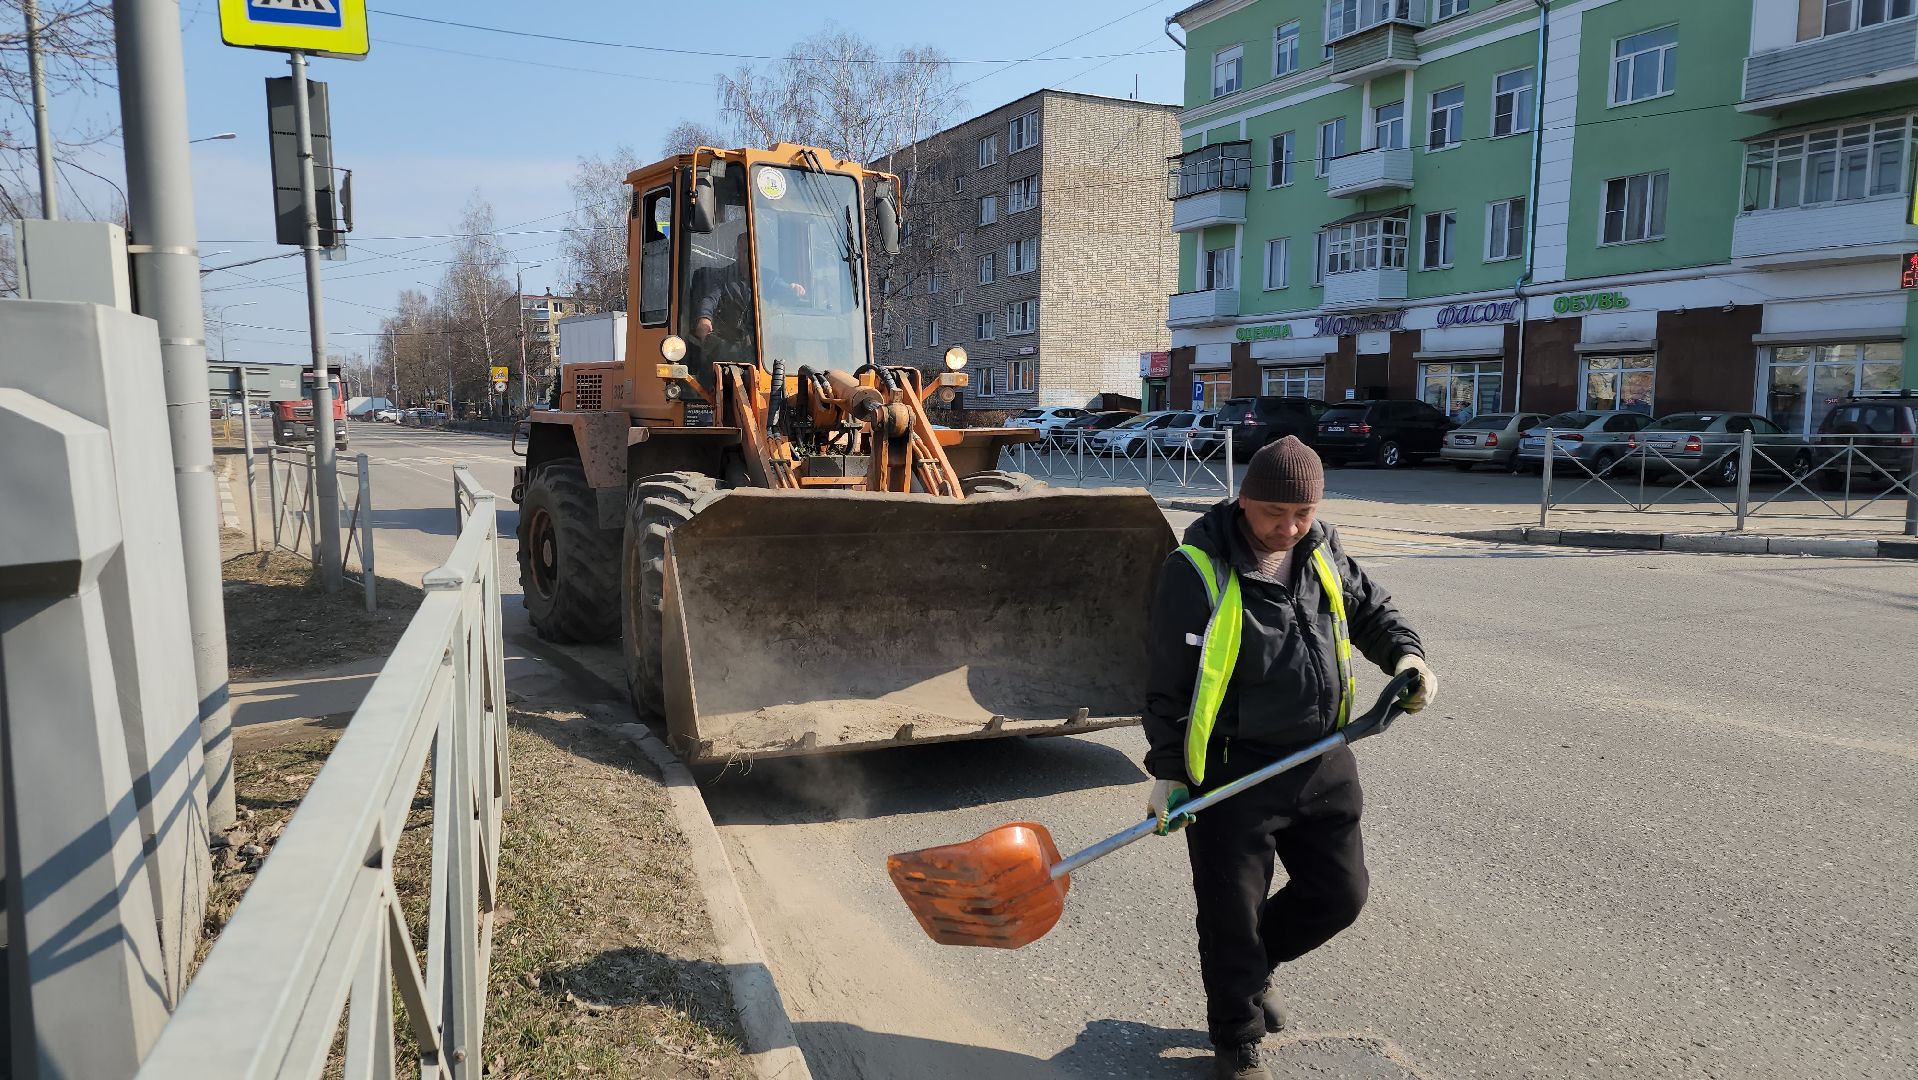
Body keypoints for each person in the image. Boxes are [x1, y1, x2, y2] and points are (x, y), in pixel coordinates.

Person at [1140, 435, 1437, 1080]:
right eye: (1276, 514)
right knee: (1231, 914)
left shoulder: (1319, 550)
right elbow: (1166, 681)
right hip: (1232, 773)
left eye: (1303, 514)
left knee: (1341, 895)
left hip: (1322, 758)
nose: (1291, 527)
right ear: (1245, 501)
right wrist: (1167, 770)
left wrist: (1406, 656)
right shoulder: (1195, 570)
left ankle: (1251, 969)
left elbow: (1370, 611)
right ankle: (1236, 1038)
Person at [693, 232, 807, 346]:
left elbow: (782, 289)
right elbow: (710, 299)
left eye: (756, 252)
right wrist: (704, 318)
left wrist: (793, 289)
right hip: (728, 344)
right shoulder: (723, 276)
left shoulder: (768, 278)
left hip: (761, 348)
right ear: (738, 251)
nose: (751, 257)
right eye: (746, 251)